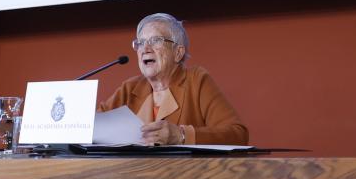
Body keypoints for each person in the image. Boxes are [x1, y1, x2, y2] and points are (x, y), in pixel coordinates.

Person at [98, 13, 248, 145]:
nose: (145, 49)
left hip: (183, 174)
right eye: (141, 43)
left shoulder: (196, 80)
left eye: (155, 40)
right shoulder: (130, 88)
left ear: (178, 52)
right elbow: (94, 125)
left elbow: (237, 134)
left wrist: (181, 135)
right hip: (134, 174)